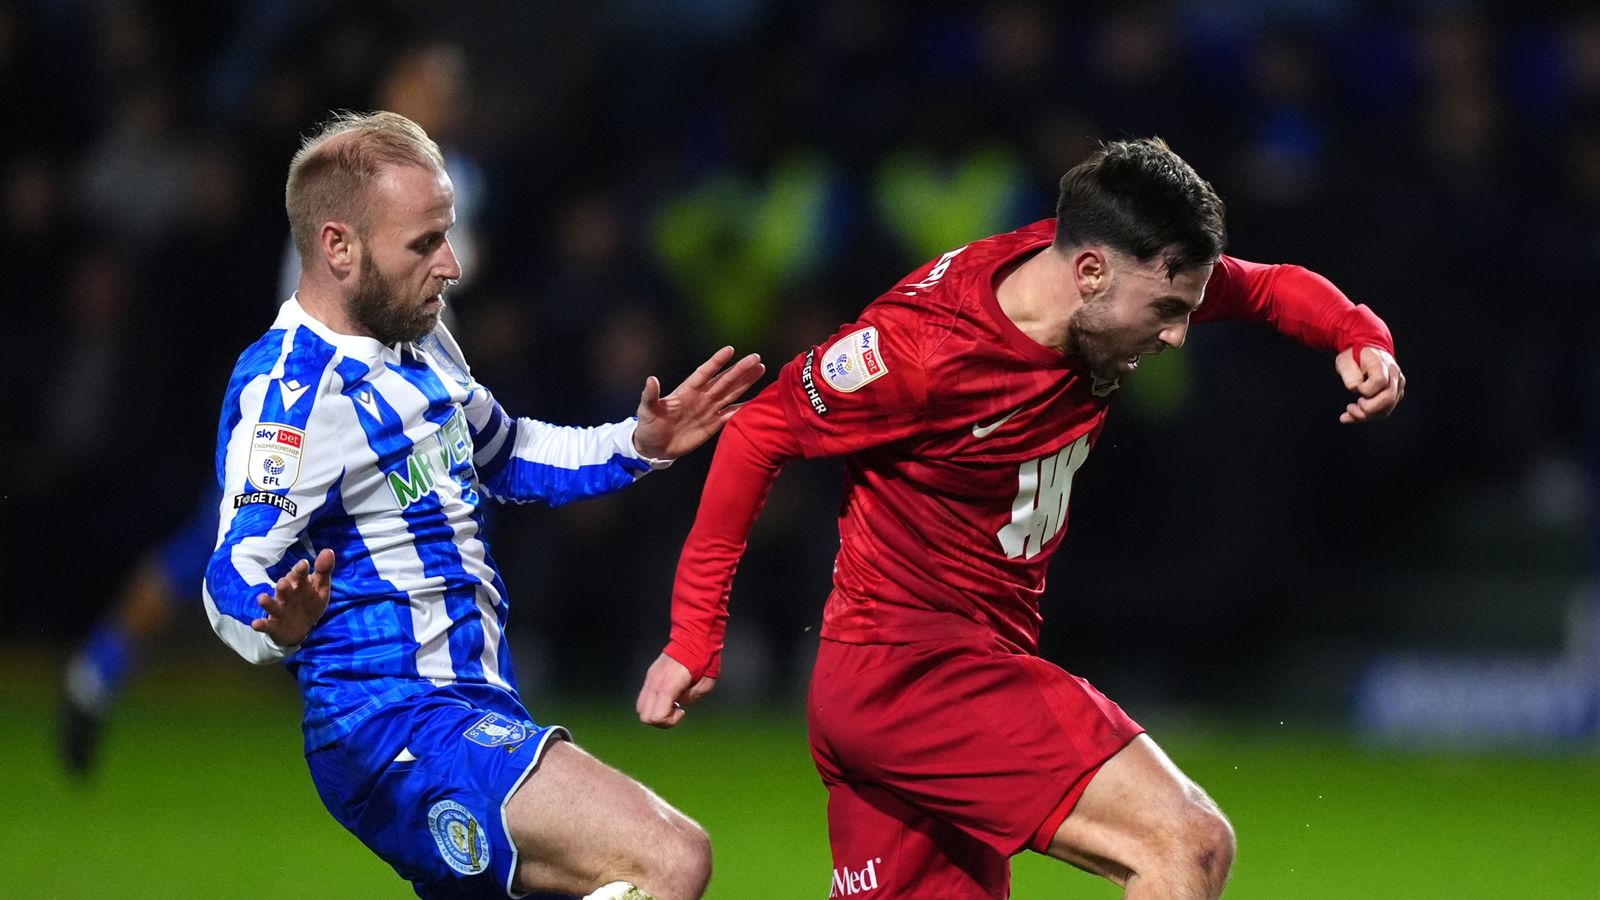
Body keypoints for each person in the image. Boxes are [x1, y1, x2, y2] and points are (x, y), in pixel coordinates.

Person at [636, 137, 1406, 898]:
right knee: (1185, 844)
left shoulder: (1100, 276)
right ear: (1091, 272)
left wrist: (1357, 334)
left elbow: (1269, 288)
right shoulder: (921, 354)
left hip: (908, 683)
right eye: (1167, 311)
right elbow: (759, 431)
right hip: (918, 671)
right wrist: (695, 634)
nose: (1176, 335)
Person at [204, 110, 763, 900]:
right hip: (394, 723)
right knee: (668, 857)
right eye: (424, 243)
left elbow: (505, 454)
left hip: (473, 702)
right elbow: (234, 564)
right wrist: (273, 619)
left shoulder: (421, 340)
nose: (453, 266)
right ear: (338, 246)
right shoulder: (292, 391)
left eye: (447, 235)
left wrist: (638, 444)